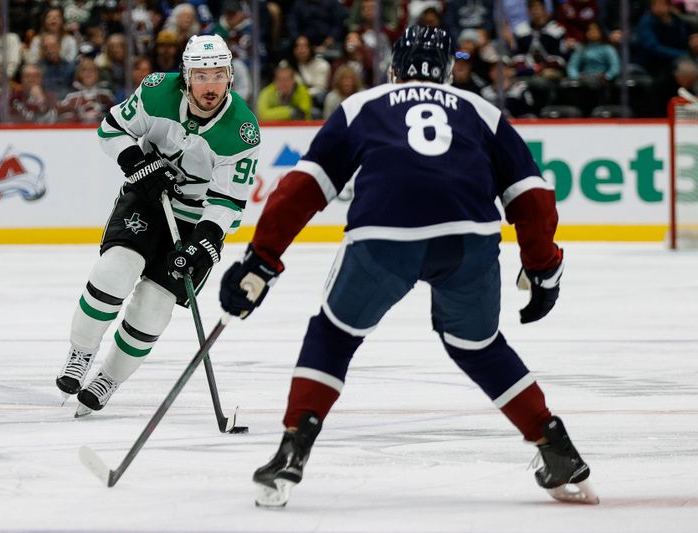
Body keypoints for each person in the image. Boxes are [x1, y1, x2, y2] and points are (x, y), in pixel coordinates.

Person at [219, 25, 598, 508]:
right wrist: (545, 269)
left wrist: (261, 260)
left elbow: (303, 188)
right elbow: (533, 197)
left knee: (334, 334)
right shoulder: (482, 111)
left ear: (393, 68)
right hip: (469, 239)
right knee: (478, 345)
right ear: (449, 74)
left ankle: (293, 448)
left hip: (385, 235)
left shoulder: (364, 105)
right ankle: (554, 444)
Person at [55, 34, 261, 416]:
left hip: (195, 221)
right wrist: (137, 164)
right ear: (186, 77)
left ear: (230, 77)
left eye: (218, 75)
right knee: (114, 271)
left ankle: (109, 378)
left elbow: (228, 202)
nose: (210, 86)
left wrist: (206, 241)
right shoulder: (156, 92)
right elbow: (112, 129)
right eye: (201, 76)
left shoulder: (242, 130)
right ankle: (80, 354)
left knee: (154, 308)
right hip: (148, 201)